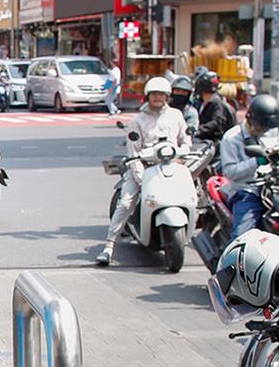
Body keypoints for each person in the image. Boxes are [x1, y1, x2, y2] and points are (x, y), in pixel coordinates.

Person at [97, 76, 190, 266]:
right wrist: (141, 179)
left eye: (162, 94)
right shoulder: (138, 120)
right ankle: (109, 245)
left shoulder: (176, 116)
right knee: (126, 202)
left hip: (171, 168)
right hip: (144, 168)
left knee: (194, 196)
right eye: (154, 94)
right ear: (147, 96)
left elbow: (186, 141)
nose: (158, 98)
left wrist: (183, 156)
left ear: (167, 96)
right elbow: (133, 152)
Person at [216, 94, 279, 239]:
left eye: (268, 127)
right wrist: (256, 162)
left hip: (275, 189)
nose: (264, 130)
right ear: (250, 118)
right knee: (241, 237)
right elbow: (230, 172)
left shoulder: (276, 133)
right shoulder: (232, 137)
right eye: (261, 126)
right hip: (247, 190)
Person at [193, 69, 237, 143]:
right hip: (201, 140)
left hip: (214, 142)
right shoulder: (200, 103)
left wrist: (200, 130)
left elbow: (217, 121)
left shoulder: (217, 103)